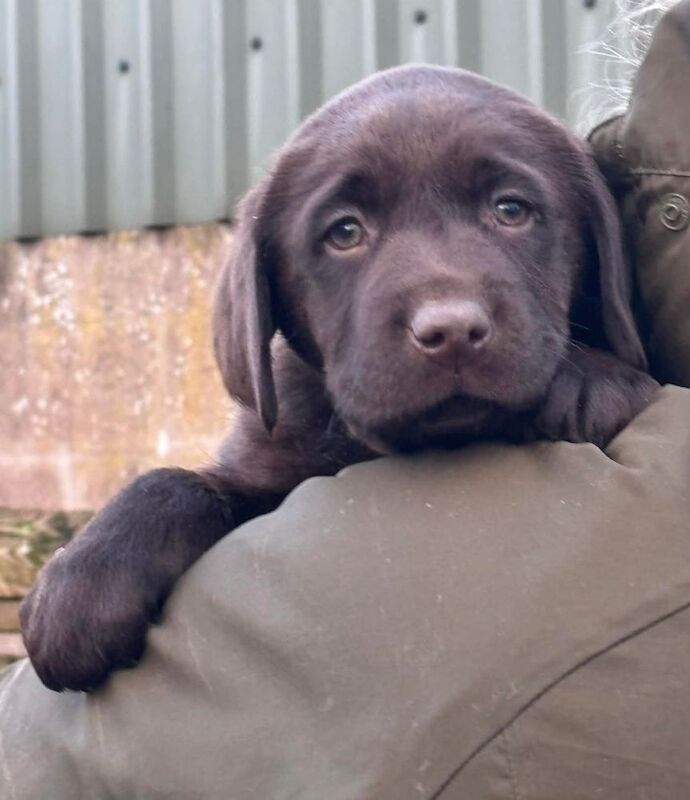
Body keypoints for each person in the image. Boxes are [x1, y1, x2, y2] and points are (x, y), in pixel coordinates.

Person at [1, 2, 689, 798]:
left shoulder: (639, 417)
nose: (448, 312)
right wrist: (168, 507)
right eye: (345, 232)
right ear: (271, 310)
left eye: (510, 210)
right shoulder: (296, 423)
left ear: (600, 246)